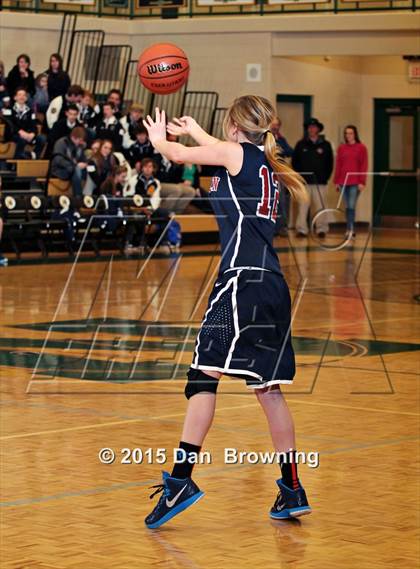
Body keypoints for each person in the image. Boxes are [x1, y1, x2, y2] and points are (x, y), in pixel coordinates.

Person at [142, 97, 311, 529]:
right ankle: (292, 488)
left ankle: (180, 481)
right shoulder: (264, 165)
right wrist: (197, 131)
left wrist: (162, 141)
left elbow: (180, 156)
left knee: (203, 377)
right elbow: (219, 149)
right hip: (271, 286)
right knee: (269, 391)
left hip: (239, 286)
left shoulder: (235, 155)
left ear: (235, 126)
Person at [292, 117, 333, 238]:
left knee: (320, 206)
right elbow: (295, 162)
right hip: (304, 182)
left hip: (320, 182)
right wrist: (300, 177)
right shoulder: (301, 144)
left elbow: (330, 163)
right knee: (303, 207)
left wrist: (325, 176)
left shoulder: (325, 145)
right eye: (309, 127)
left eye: (314, 127)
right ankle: (301, 229)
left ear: (318, 129)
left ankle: (321, 229)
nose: (312, 129)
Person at [334, 125, 368, 239]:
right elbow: (338, 165)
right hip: (343, 181)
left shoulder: (361, 147)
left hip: (355, 182)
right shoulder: (342, 148)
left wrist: (362, 181)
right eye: (346, 133)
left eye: (350, 133)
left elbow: (364, 165)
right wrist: (336, 181)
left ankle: (351, 229)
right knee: (347, 206)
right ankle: (348, 228)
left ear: (355, 134)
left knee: (351, 205)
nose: (348, 135)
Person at [2, 88, 45, 159]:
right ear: (15, 97)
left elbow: (33, 124)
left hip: (27, 134)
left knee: (42, 138)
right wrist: (21, 132)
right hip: (12, 134)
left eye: (24, 95)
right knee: (21, 140)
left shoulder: (30, 110)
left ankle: (33, 155)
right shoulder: (8, 109)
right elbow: (10, 124)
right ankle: (15, 163)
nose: (22, 97)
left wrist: (32, 133)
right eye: (19, 95)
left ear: (26, 98)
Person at [270, 117, 293, 236]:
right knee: (271, 202)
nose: (274, 127)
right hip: (268, 173)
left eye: (277, 125)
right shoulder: (264, 138)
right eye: (273, 124)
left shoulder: (281, 139)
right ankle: (272, 228)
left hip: (280, 174)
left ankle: (282, 227)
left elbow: (290, 151)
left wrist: (279, 149)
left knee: (282, 201)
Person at [50, 126, 87, 197]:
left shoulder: (80, 145)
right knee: (76, 170)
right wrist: (75, 165)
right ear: (73, 137)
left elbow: (83, 159)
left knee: (89, 170)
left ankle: (89, 193)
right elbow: (58, 160)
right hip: (59, 169)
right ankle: (78, 196)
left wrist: (84, 164)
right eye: (79, 140)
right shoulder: (61, 143)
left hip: (74, 169)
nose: (80, 142)